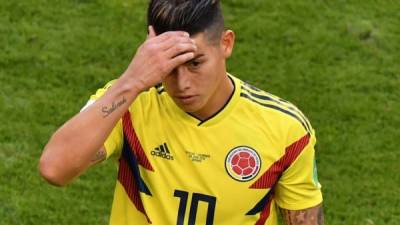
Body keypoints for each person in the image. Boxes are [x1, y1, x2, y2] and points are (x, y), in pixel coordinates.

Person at [39, 0, 324, 224]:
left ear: (226, 43)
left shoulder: (285, 130)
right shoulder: (128, 102)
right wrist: (132, 81)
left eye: (195, 63)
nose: (183, 84)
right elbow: (55, 169)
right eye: (168, 67)